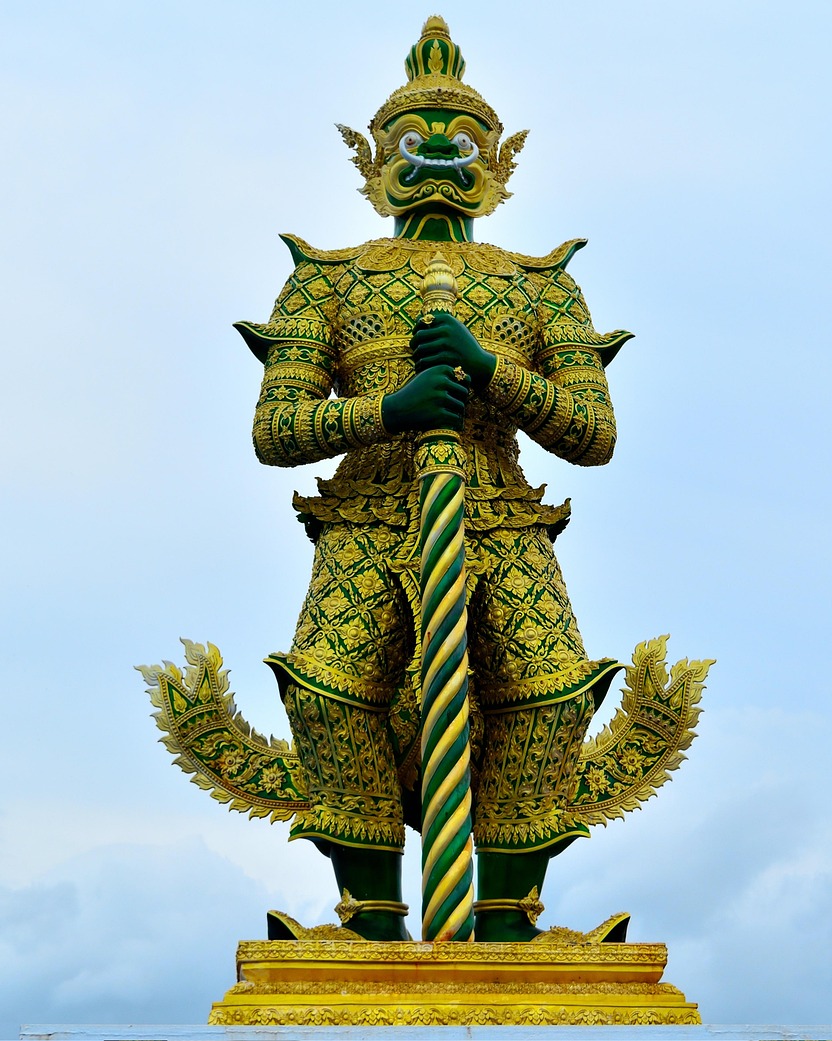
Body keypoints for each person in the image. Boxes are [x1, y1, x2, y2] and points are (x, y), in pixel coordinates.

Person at [236, 17, 631, 942]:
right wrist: (388, 410)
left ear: (496, 162)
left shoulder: (541, 288)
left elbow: (593, 434)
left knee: (546, 690)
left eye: (464, 141)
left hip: (498, 513)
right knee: (330, 690)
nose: (442, 157)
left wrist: (491, 372)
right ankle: (370, 916)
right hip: (370, 512)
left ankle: (505, 919)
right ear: (377, 161)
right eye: (416, 141)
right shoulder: (325, 282)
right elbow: (276, 429)